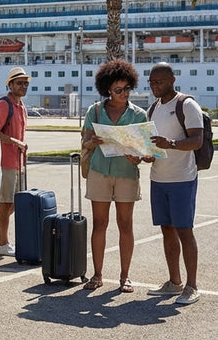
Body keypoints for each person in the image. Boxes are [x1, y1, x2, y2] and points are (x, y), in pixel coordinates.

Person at [80, 59, 147, 292]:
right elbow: (85, 142)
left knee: (125, 224)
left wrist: (136, 157)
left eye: (127, 88)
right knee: (99, 223)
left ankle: (125, 277)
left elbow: (143, 151)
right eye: (118, 90)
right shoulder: (95, 111)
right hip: (100, 171)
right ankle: (97, 275)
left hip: (126, 172)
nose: (124, 93)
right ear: (108, 89)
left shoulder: (139, 114)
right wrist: (93, 141)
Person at [146, 62, 205, 305]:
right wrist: (142, 155)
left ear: (172, 79)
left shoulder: (186, 105)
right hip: (158, 177)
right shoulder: (152, 108)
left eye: (158, 82)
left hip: (182, 178)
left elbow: (197, 140)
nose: (154, 86)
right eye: (151, 83)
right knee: (166, 229)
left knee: (184, 230)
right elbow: (153, 146)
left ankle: (192, 286)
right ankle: (174, 282)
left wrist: (170, 143)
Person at [0, 67, 29, 256]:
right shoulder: (4, 104)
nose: (23, 86)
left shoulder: (21, 106)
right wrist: (14, 141)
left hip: (18, 162)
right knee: (6, 202)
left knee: (16, 204)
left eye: (25, 83)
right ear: (10, 85)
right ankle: (3, 244)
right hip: (5, 162)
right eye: (19, 83)